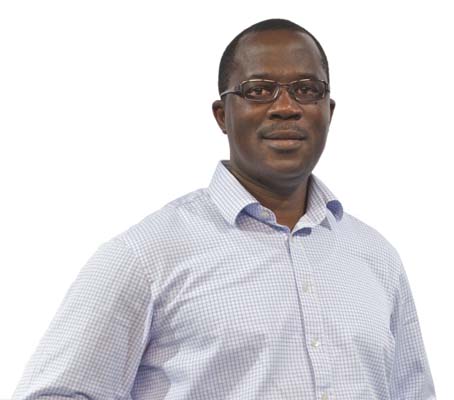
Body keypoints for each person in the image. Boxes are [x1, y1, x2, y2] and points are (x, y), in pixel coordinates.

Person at [12, 18, 436, 400]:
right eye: (258, 90)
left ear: (329, 110)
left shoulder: (377, 259)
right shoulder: (146, 257)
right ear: (222, 115)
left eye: (307, 90)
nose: (286, 107)